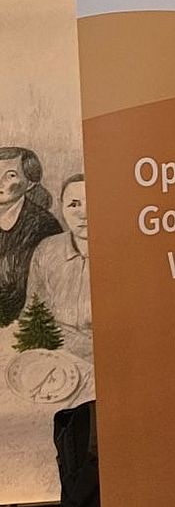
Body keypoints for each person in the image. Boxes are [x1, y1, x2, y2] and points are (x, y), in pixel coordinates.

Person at [25, 174, 91, 360]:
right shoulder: (47, 249)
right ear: (62, 207)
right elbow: (32, 310)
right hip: (52, 352)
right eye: (74, 204)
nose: (84, 213)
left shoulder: (122, 251)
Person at [0, 146, 63, 328]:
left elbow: (47, 291)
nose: (0, 181)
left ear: (30, 183)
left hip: (21, 327)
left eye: (10, 175)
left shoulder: (44, 226)